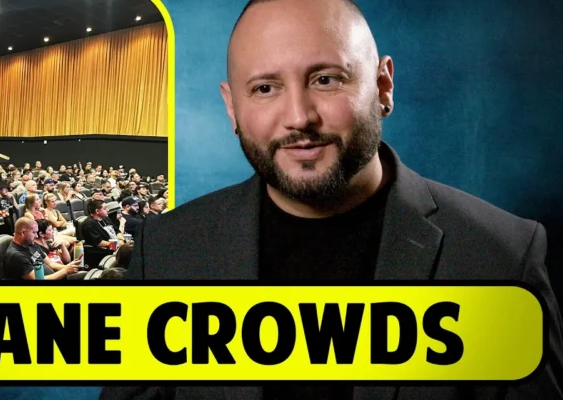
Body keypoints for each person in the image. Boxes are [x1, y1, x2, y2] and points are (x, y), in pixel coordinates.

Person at [102, 0, 562, 400]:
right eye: (265, 88)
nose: (299, 117)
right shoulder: (166, 251)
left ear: (383, 86)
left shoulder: (501, 256)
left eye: (326, 79)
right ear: (231, 108)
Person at [2, 217, 80, 280]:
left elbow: (51, 264)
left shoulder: (31, 244)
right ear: (23, 233)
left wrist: (70, 267)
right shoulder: (16, 255)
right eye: (34, 232)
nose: (36, 236)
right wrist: (65, 271)